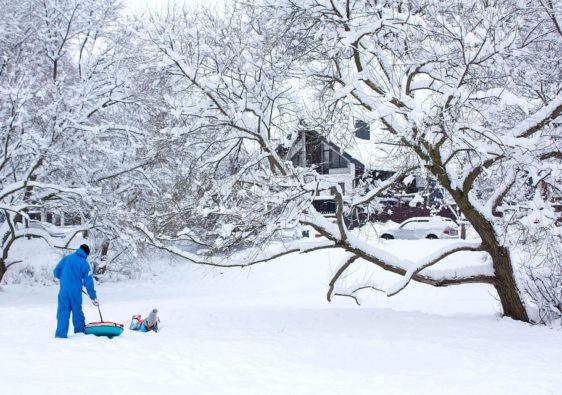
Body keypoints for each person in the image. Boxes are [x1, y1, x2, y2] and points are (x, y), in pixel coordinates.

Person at [53, 244, 98, 338]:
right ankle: (79, 333)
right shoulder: (84, 263)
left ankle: (60, 335)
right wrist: (93, 296)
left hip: (64, 290)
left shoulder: (67, 258)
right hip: (75, 292)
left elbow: (56, 272)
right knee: (77, 310)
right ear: (86, 253)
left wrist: (65, 280)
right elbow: (88, 281)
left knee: (63, 311)